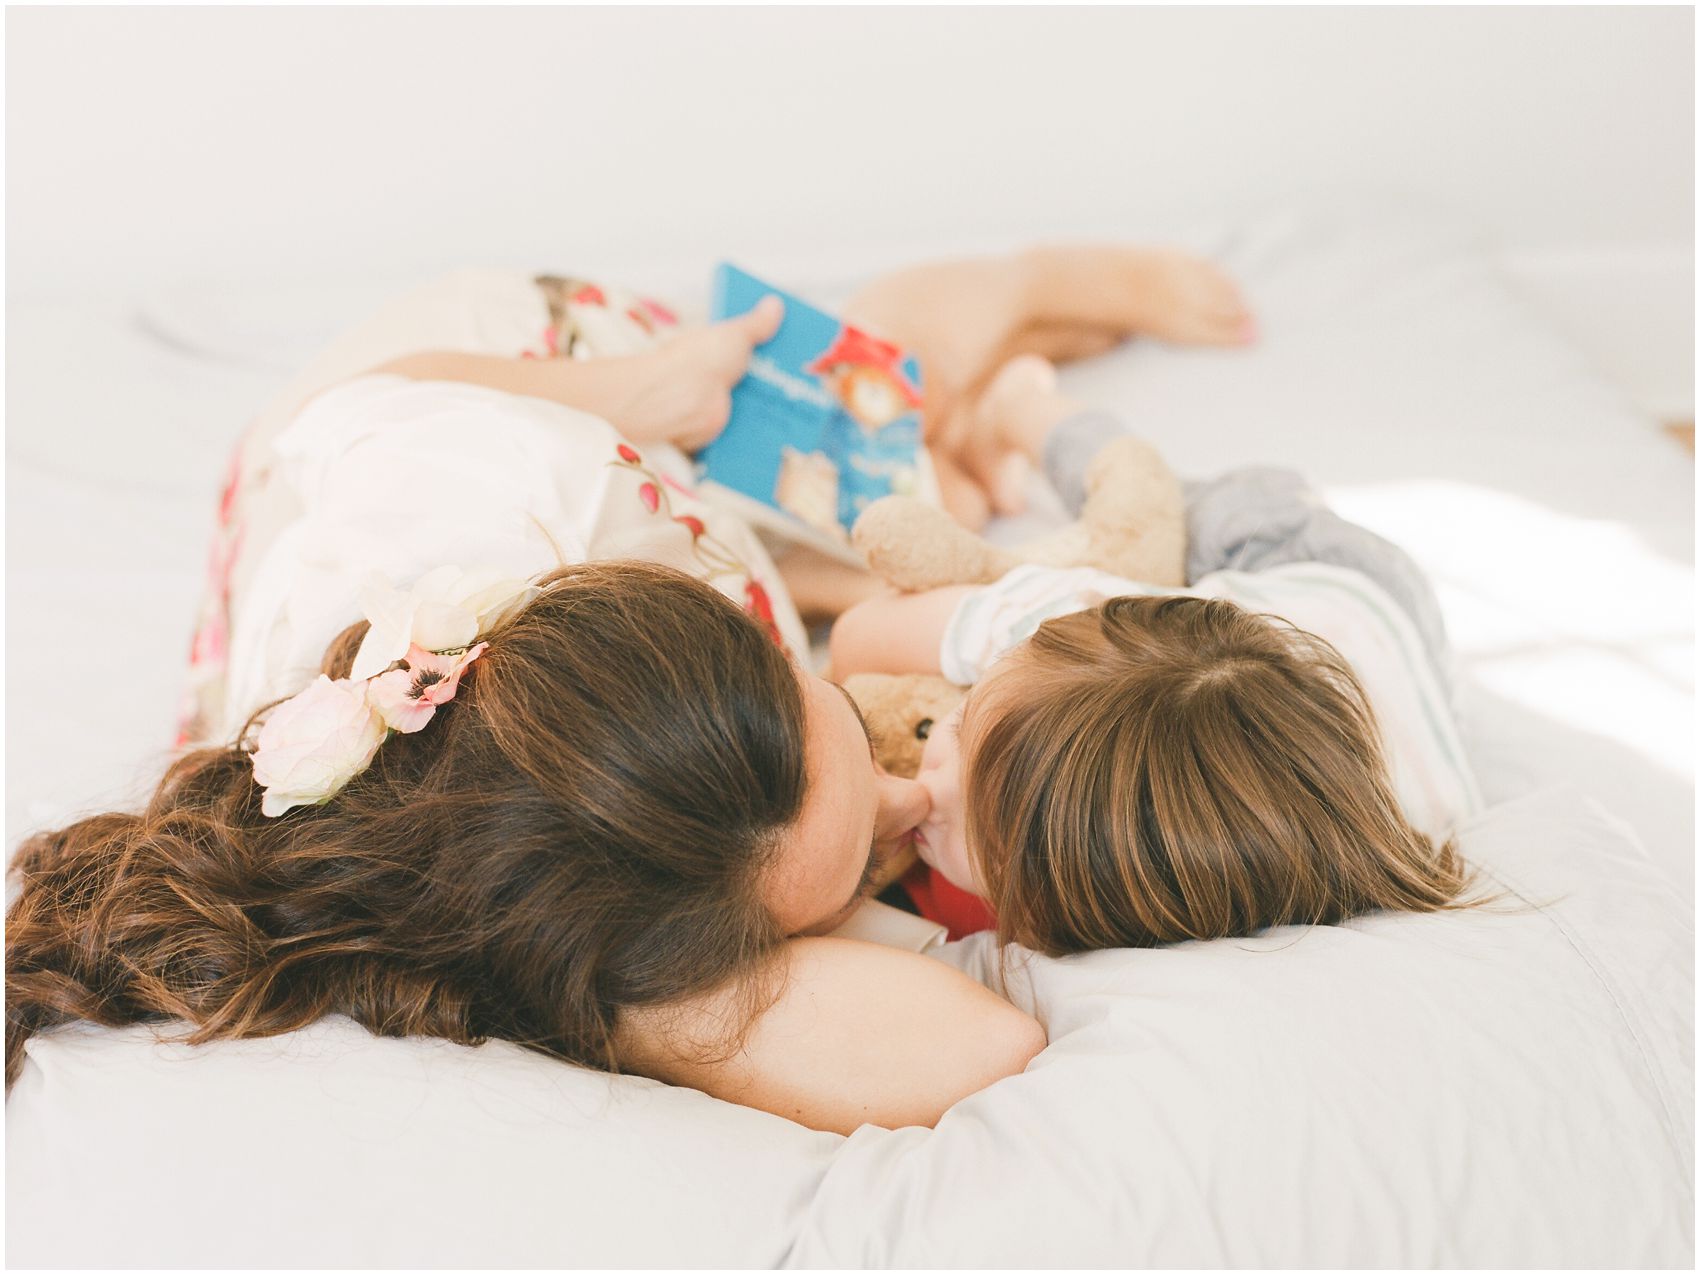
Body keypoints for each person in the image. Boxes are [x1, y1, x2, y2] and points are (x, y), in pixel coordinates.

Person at [5, 246, 1252, 1134]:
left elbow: (363, 407)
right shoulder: (566, 912)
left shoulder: (451, 517)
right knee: (916, 501)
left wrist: (654, 399)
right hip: (541, 597)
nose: (900, 801)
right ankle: (973, 409)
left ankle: (1001, 292)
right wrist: (633, 986)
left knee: (860, 408)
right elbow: (982, 1047)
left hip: (502, 379)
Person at [830, 355, 1488, 955]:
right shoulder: (1051, 623)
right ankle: (1020, 407)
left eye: (981, 837)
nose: (929, 775)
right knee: (1144, 499)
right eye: (960, 720)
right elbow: (858, 639)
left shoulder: (1312, 897)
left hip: (1369, 642)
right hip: (1296, 564)